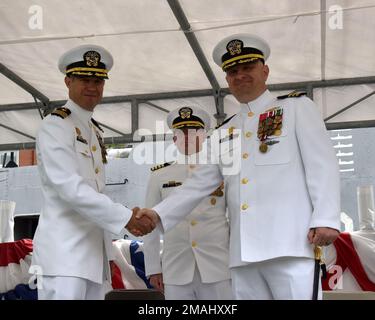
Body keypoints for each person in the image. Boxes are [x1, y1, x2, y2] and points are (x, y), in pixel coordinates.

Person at [138, 34, 341, 299]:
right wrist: (156, 215)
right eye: (233, 71)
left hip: (290, 245)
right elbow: (198, 185)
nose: (240, 75)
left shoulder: (296, 107)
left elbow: (322, 163)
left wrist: (326, 218)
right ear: (227, 80)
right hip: (243, 255)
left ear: (265, 71)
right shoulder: (224, 131)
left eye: (248, 68)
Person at [30, 44, 154, 300]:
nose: (92, 87)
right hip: (64, 259)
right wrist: (125, 217)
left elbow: (96, 193)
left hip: (93, 260)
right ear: (68, 81)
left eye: (98, 81)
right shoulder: (56, 125)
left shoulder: (92, 130)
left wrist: (107, 256)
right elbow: (69, 188)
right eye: (84, 79)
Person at [143, 106, 232, 300]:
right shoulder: (159, 175)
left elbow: (234, 217)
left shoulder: (223, 171)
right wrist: (153, 268)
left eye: (194, 133)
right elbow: (151, 225)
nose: (188, 137)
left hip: (217, 265)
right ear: (174, 139)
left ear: (204, 137)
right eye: (181, 133)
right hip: (176, 267)